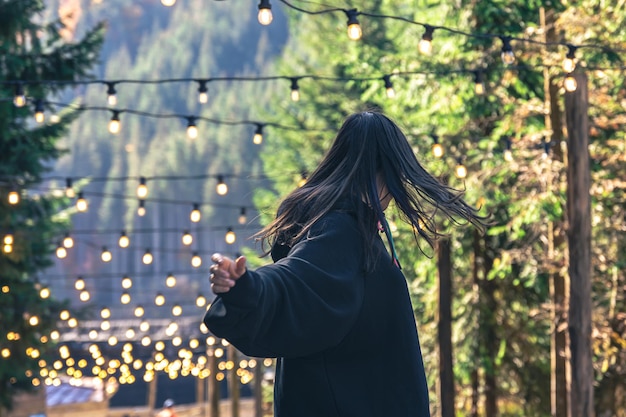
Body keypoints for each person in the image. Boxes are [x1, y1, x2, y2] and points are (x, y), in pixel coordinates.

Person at [203, 111, 485, 417]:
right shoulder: (340, 231)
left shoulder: (354, 230)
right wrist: (247, 288)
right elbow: (295, 279)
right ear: (385, 170)